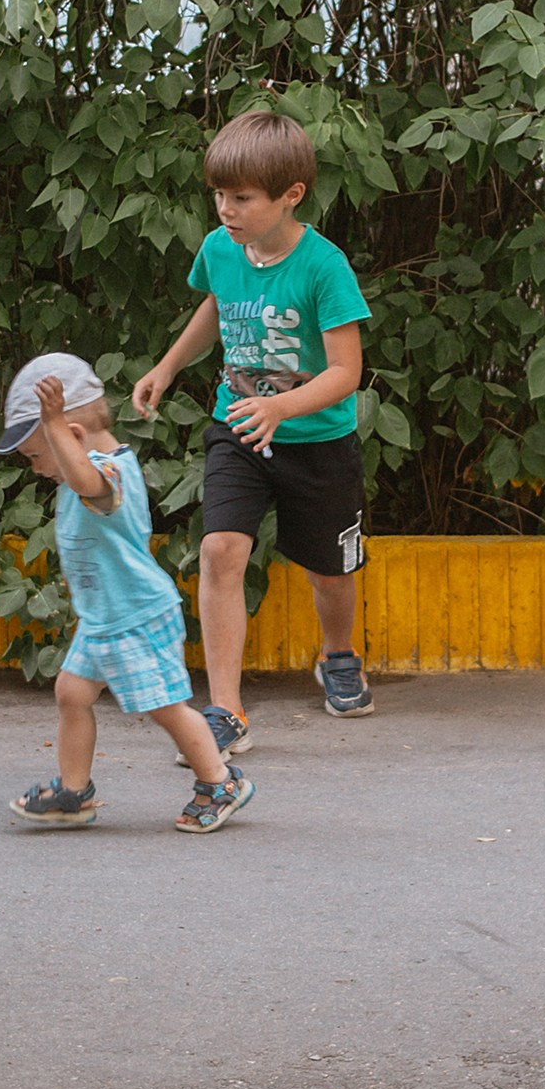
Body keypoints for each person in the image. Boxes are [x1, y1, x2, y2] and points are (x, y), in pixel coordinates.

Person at [132, 107, 373, 754]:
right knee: (220, 552)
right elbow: (215, 304)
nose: (225, 210)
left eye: (241, 198)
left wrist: (282, 408)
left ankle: (339, 653)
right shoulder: (220, 250)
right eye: (218, 194)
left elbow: (347, 371)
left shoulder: (324, 266)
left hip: (317, 440)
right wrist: (166, 365)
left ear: (291, 194)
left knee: (329, 573)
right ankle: (226, 709)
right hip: (237, 427)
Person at [0, 352, 254, 834]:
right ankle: (75, 791)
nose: (34, 469)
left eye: (36, 454)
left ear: (73, 437)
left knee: (165, 706)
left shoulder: (107, 474)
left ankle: (220, 782)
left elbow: (86, 481)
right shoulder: (83, 471)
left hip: (136, 615)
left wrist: (52, 424)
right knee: (72, 693)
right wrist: (50, 429)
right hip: (103, 619)